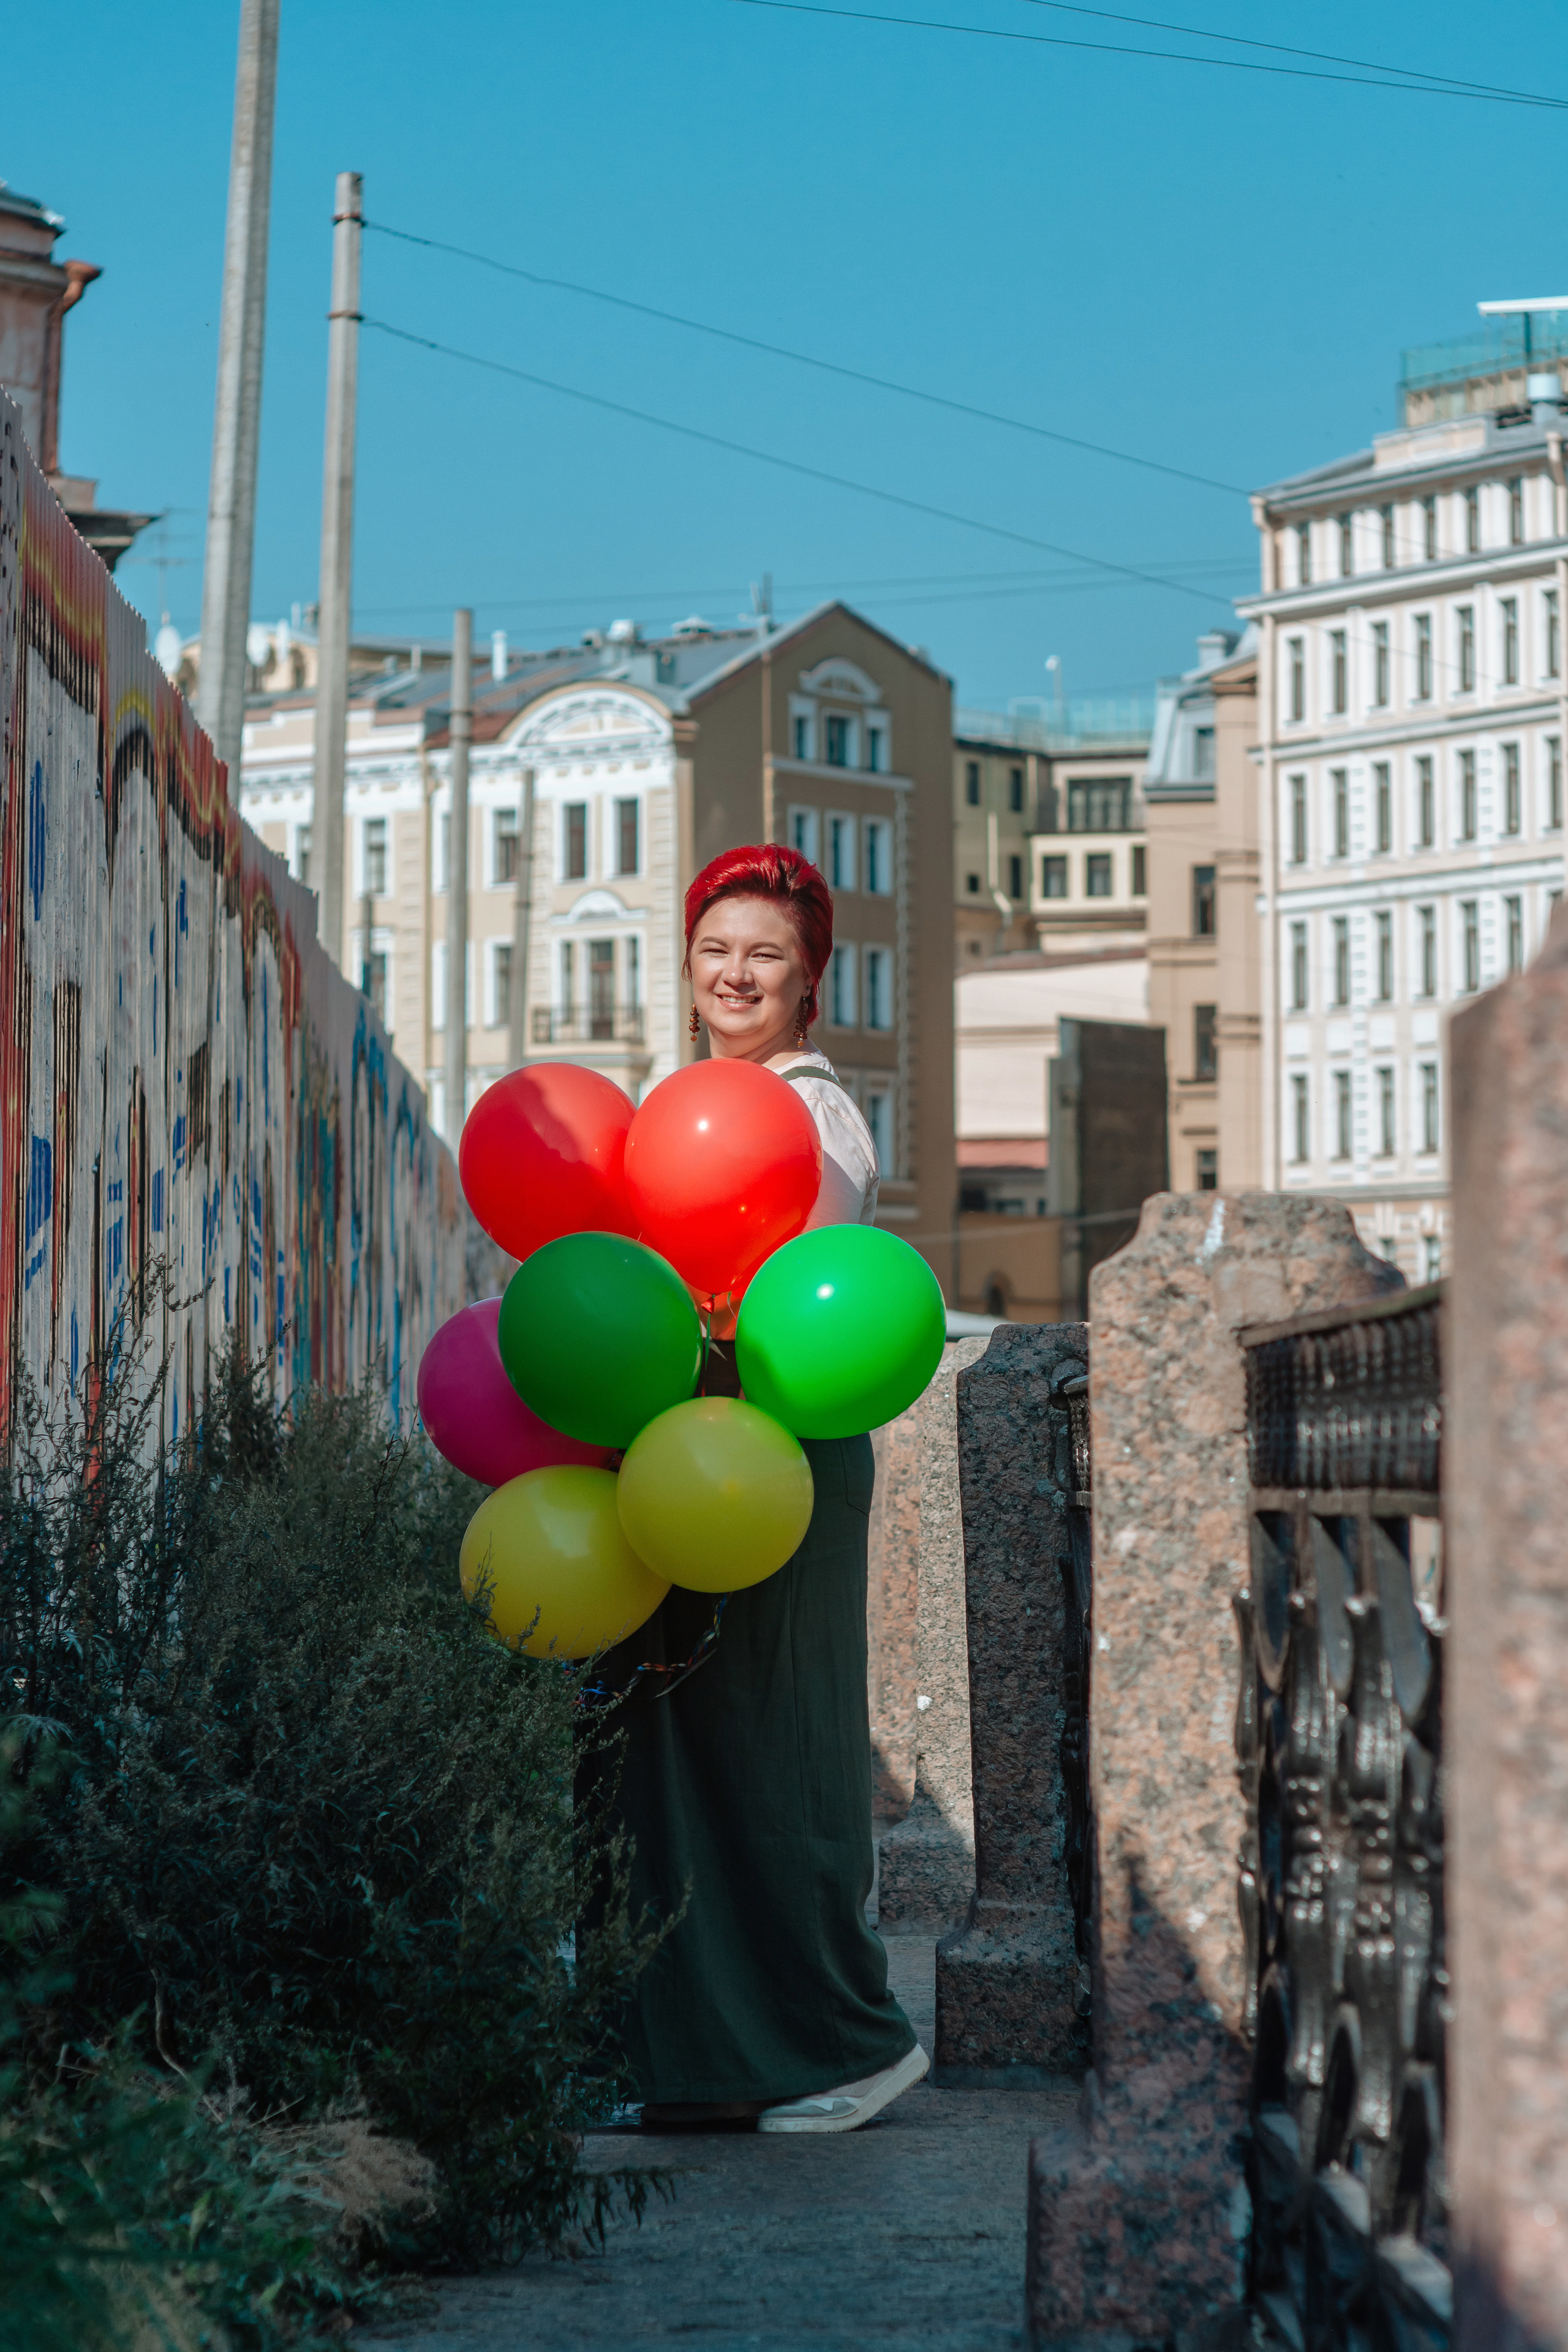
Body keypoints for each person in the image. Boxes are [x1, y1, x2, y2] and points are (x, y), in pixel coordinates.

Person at [581, 843, 926, 2135]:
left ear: (809, 983)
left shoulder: (809, 1109)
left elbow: (790, 1281)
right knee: (667, 1748)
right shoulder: (686, 1098)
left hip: (767, 1449)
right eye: (716, 948)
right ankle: (690, 2055)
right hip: (675, 1447)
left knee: (778, 1747)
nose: (735, 972)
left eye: (765, 954)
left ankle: (850, 2041)